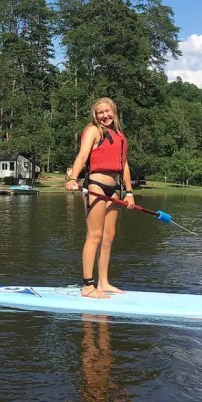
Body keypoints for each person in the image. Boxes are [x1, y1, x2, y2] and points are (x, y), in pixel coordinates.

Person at [64, 98, 135, 298]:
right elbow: (82, 156)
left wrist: (129, 192)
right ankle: (88, 286)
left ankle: (103, 282)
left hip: (113, 189)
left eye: (107, 111)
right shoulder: (94, 130)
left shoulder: (120, 136)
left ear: (114, 111)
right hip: (95, 185)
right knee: (94, 235)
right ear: (95, 116)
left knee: (108, 237)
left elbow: (124, 166)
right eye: (100, 113)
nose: (104, 116)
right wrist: (72, 178)